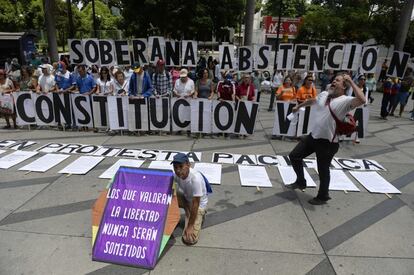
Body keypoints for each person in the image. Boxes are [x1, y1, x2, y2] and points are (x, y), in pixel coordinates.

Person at [286, 73, 366, 205]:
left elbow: (362, 100)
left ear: (344, 86)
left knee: (323, 170)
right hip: (313, 136)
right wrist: (298, 106)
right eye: (334, 79)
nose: (334, 81)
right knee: (294, 156)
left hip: (328, 143)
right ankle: (301, 181)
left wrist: (351, 81)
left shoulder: (346, 101)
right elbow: (312, 100)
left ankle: (323, 196)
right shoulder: (324, 94)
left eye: (338, 81)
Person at [171, 153, 209, 245]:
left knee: (189, 239)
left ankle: (198, 216)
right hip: (186, 199)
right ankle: (184, 213)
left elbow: (196, 204)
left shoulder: (195, 179)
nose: (178, 170)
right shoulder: (176, 174)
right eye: (175, 167)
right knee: (169, 193)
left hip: (198, 205)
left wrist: (190, 226)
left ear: (188, 165)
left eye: (181, 166)